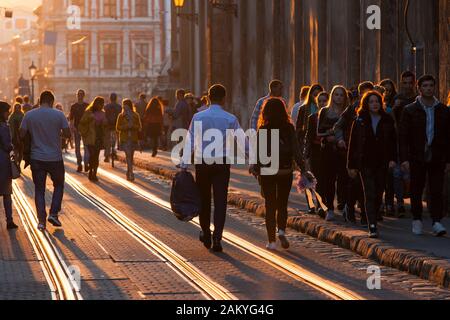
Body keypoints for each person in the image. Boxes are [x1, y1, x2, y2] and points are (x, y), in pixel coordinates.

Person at [182, 84, 247, 253]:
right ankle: (218, 236)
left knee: (204, 199)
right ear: (224, 98)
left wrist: (184, 164)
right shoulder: (230, 118)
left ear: (208, 98)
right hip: (221, 163)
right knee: (220, 201)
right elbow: (242, 141)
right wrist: (252, 159)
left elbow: (189, 140)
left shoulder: (198, 117)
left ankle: (206, 232)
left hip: (203, 163)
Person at [400, 75, 450, 237]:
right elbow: (403, 137)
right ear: (419, 89)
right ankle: (417, 219)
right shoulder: (410, 110)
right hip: (416, 155)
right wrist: (405, 158)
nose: (428, 88)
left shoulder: (443, 110)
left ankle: (436, 221)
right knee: (416, 188)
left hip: (437, 156)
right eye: (425, 86)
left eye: (431, 85)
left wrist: (448, 159)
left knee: (436, 189)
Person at [252, 98, 303, 250]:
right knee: (282, 204)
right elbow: (296, 150)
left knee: (270, 205)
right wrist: (303, 168)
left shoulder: (263, 129)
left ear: (266, 112)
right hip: (285, 170)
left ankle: (271, 241)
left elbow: (260, 154)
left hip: (268, 171)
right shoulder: (289, 128)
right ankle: (281, 230)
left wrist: (256, 169)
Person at [347, 91, 397, 238]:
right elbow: (353, 144)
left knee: (378, 193)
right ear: (366, 104)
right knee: (369, 193)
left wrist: (393, 159)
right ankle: (372, 225)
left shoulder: (387, 119)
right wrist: (351, 165)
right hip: (365, 162)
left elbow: (393, 142)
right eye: (371, 102)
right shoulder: (360, 120)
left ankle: (374, 216)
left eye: (377, 101)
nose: (374, 104)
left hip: (382, 162)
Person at [19, 91, 71, 231]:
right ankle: (53, 213)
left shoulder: (29, 115)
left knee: (39, 189)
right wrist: (57, 133)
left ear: (40, 100)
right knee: (59, 185)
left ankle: (41, 221)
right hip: (55, 158)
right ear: (52, 101)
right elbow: (68, 134)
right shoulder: (59, 114)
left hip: (37, 157)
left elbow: (21, 134)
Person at [334, 81, 374, 225]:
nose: (367, 96)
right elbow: (338, 126)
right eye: (364, 93)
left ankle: (366, 214)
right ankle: (350, 208)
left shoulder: (377, 109)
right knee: (355, 184)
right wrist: (340, 140)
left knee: (368, 186)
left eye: (369, 92)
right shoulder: (352, 109)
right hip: (354, 151)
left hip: (371, 153)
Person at [317, 86, 349, 221]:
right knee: (328, 180)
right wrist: (328, 135)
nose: (339, 97)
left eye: (341, 95)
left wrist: (340, 139)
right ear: (332, 96)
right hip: (328, 151)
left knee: (343, 179)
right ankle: (329, 207)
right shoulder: (324, 111)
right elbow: (318, 132)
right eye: (336, 94)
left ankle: (344, 205)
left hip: (343, 151)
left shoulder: (348, 112)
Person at [303, 91, 329, 214]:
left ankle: (324, 203)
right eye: (320, 101)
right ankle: (319, 204)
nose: (322, 103)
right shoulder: (312, 118)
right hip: (315, 151)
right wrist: (305, 155)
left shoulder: (331, 117)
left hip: (328, 150)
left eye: (325, 100)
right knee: (316, 178)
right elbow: (308, 137)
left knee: (326, 179)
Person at [79, 97, 107, 182]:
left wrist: (105, 123)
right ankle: (91, 171)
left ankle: (94, 172)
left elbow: (105, 126)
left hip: (99, 137)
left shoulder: (103, 113)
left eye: (102, 104)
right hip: (90, 138)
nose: (101, 106)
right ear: (96, 104)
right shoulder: (88, 112)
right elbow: (82, 123)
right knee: (92, 155)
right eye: (100, 104)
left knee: (96, 156)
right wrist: (90, 119)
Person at [0, 101, 18, 230]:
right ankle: (9, 221)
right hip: (3, 162)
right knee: (6, 192)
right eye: (7, 111)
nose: (8, 114)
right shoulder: (4, 127)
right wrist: (12, 147)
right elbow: (7, 145)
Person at [117, 99, 142, 182]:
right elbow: (117, 127)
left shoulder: (135, 115)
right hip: (125, 139)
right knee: (128, 155)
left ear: (130, 106)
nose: (125, 106)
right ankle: (131, 172)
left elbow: (139, 127)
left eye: (126, 104)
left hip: (133, 138)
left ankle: (128, 171)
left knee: (131, 156)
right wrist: (126, 126)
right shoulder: (121, 115)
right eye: (124, 105)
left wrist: (133, 126)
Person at [296, 84, 324, 152]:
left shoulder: (325, 109)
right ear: (310, 95)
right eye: (314, 95)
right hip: (308, 142)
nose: (316, 97)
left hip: (322, 141)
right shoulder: (303, 108)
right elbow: (298, 127)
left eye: (318, 95)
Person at [69, 89, 90, 173]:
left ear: (83, 95)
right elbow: (71, 118)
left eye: (81, 94)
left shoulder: (87, 105)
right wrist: (72, 127)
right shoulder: (73, 106)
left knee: (86, 148)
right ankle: (79, 164)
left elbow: (89, 117)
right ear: (77, 95)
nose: (80, 96)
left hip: (85, 129)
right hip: (77, 129)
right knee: (77, 148)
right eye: (79, 94)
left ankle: (86, 164)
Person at [104, 93, 122, 163]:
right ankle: (118, 146)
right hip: (116, 125)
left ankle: (106, 155)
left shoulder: (106, 107)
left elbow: (104, 116)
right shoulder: (119, 107)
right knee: (118, 136)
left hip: (108, 125)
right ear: (116, 98)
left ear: (110, 98)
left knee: (107, 140)